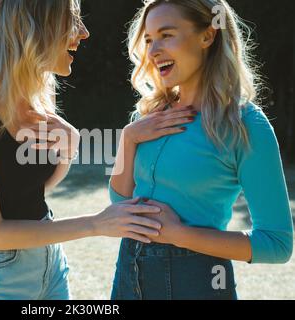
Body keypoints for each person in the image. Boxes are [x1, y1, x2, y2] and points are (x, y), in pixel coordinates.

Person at [0, 0, 173, 300]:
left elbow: (33, 187)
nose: (84, 32)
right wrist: (97, 223)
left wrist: (69, 147)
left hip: (49, 261)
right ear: (34, 25)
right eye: (72, 18)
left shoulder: (36, 86)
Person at [109, 0, 293, 300]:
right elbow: (121, 202)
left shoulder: (244, 124)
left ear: (207, 36)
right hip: (129, 273)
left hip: (199, 281)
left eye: (166, 35)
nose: (153, 51)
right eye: (149, 40)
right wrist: (128, 140)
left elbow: (276, 243)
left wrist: (178, 234)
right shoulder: (148, 116)